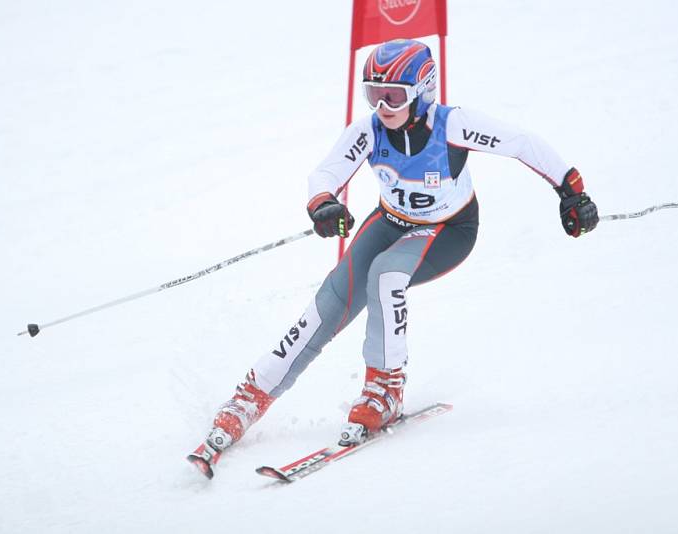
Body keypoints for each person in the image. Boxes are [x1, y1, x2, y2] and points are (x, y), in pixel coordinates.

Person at [188, 39, 598, 477]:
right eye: (373, 93)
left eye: (394, 96)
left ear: (423, 91)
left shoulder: (452, 125)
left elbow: (521, 143)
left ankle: (385, 390)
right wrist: (323, 203)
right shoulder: (369, 131)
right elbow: (324, 173)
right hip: (390, 221)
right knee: (329, 303)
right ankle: (252, 394)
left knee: (385, 276)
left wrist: (571, 191)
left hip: (448, 231)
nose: (383, 105)